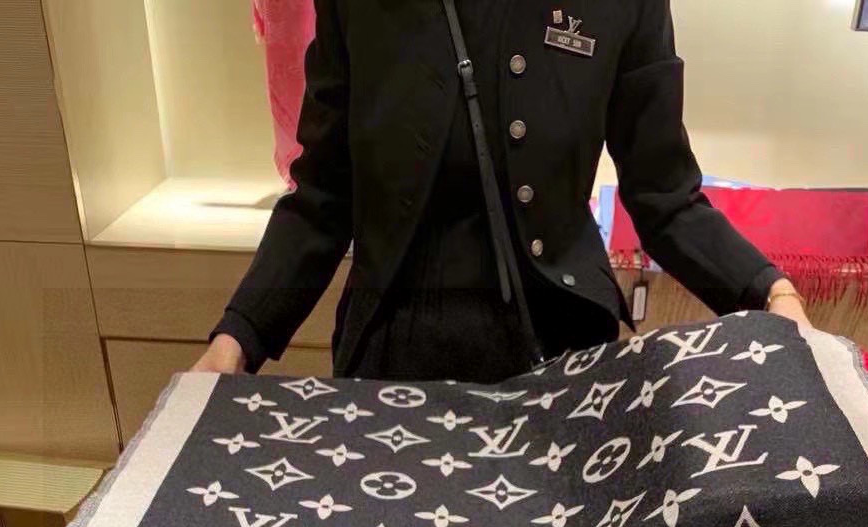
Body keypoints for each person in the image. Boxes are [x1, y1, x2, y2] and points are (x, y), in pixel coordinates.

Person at [195, 0, 808, 385]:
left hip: (564, 348)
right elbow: (322, 199)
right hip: (392, 347)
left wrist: (769, 291)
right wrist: (237, 338)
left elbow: (665, 196)